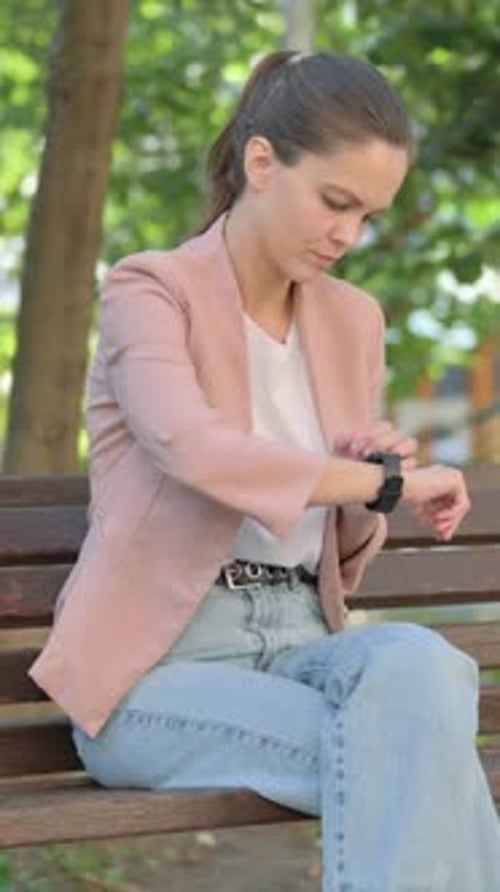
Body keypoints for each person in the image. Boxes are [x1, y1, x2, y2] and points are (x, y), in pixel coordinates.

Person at [30, 50, 500, 891]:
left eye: (368, 216)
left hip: (304, 644)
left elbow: (346, 533)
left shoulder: (354, 319)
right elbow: (194, 447)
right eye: (335, 202)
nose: (348, 236)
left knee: (427, 671)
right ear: (261, 163)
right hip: (159, 673)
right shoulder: (152, 291)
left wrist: (367, 476)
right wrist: (383, 484)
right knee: (415, 747)